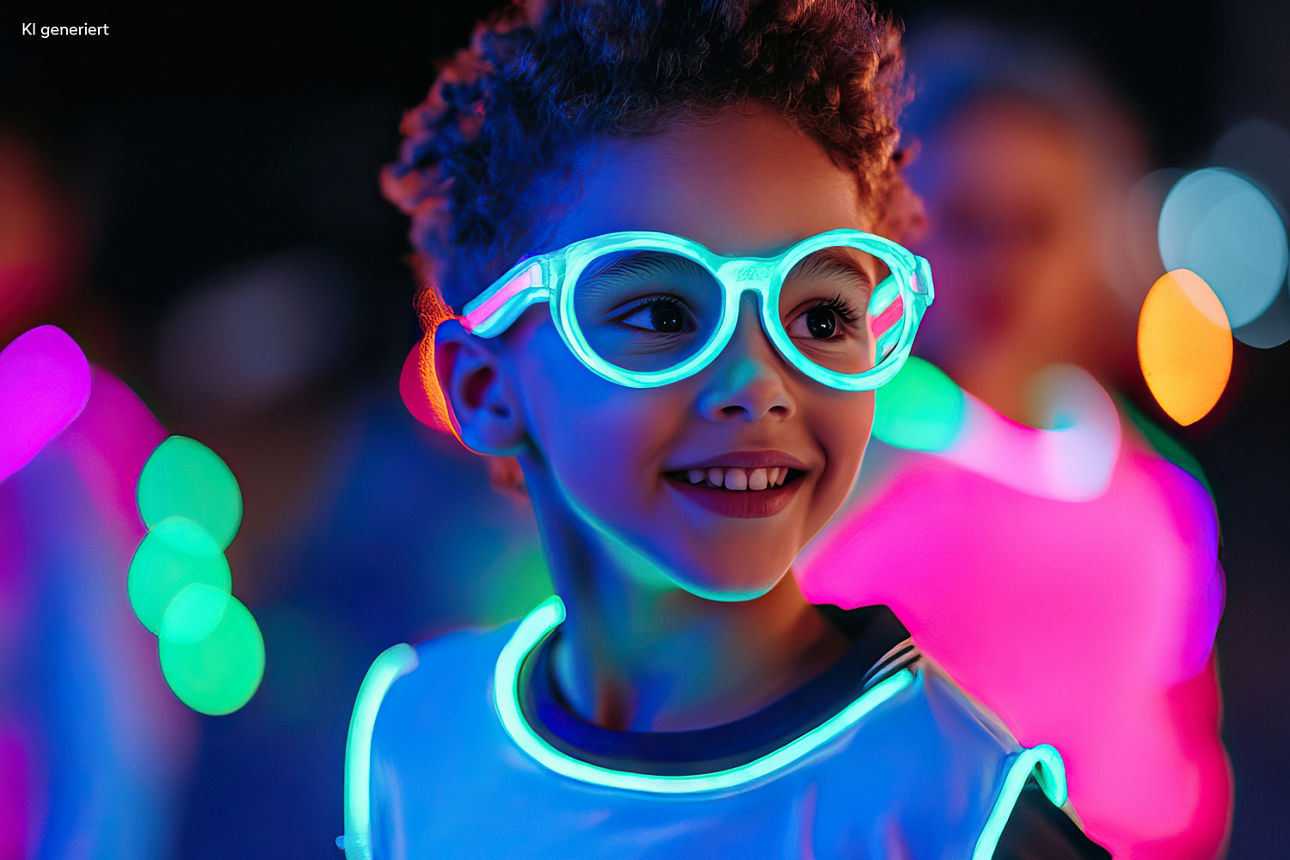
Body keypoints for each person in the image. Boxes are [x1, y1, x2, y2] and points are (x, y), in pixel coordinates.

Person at [340, 1, 1110, 856]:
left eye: (820, 316)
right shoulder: (414, 737)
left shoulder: (954, 812)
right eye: (665, 312)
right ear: (485, 388)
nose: (758, 383)